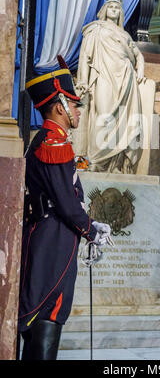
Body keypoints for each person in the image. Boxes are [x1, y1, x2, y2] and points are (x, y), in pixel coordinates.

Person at [18, 57, 111, 360]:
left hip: (53, 234)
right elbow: (65, 202)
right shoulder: (53, 143)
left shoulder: (50, 140)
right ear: (59, 106)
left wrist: (88, 224)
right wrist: (90, 230)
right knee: (47, 305)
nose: (79, 111)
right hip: (51, 237)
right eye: (74, 104)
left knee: (49, 307)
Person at [73, 0, 155, 174]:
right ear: (104, 10)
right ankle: (92, 162)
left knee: (125, 122)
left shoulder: (125, 34)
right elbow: (85, 57)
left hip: (126, 79)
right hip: (104, 76)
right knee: (103, 116)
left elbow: (138, 55)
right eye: (111, 7)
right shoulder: (95, 29)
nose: (114, 10)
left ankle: (115, 165)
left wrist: (140, 70)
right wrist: (82, 81)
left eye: (117, 8)